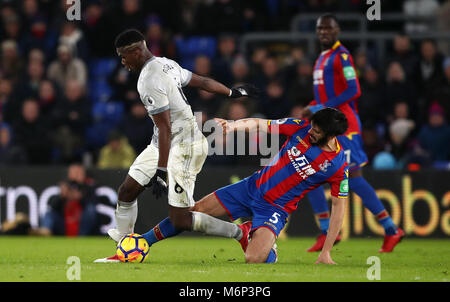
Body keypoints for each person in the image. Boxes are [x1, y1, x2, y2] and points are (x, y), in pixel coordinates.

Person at [94, 29, 258, 263]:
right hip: (161, 143)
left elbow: (166, 128)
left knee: (181, 219)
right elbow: (201, 81)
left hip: (185, 147)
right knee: (127, 191)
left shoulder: (149, 81)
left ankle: (240, 232)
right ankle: (125, 249)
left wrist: (161, 171)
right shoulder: (166, 64)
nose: (123, 62)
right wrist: (231, 92)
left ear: (137, 51)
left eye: (123, 56)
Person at [122, 108, 350, 264]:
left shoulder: (337, 165)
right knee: (193, 213)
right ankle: (143, 241)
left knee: (253, 259)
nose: (311, 132)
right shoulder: (299, 127)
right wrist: (233, 126)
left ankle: (264, 246)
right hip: (250, 187)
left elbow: (339, 208)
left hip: (275, 208)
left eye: (317, 132)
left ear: (331, 136)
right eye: (312, 127)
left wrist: (326, 250)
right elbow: (261, 124)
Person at [300, 14, 404, 253]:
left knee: (353, 178)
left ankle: (391, 229)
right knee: (308, 173)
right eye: (320, 28)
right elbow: (326, 96)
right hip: (327, 125)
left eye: (329, 28)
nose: (324, 32)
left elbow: (353, 90)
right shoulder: (322, 57)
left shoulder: (342, 56)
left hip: (345, 126)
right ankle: (327, 230)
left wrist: (319, 108)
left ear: (337, 31)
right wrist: (313, 106)